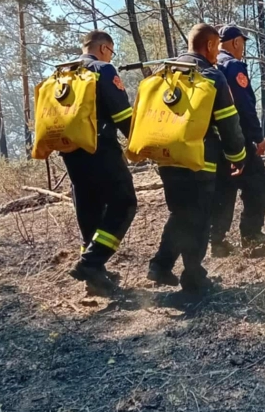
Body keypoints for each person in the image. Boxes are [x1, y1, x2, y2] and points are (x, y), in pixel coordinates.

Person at [148, 23, 246, 294]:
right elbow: (229, 123)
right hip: (200, 159)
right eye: (216, 47)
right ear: (211, 45)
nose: (217, 53)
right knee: (200, 217)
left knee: (181, 212)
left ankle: (160, 265)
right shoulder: (211, 76)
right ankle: (193, 277)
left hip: (167, 157)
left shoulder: (166, 72)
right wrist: (237, 156)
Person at [64, 30, 137, 296]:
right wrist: (139, 144)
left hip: (70, 151)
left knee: (89, 210)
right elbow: (122, 113)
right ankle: (90, 263)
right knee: (125, 203)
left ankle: (95, 278)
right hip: (101, 149)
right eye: (111, 52)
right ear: (104, 48)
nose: (111, 57)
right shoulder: (102, 70)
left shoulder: (63, 73)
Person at [210, 24, 265, 257]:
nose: (242, 48)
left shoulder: (209, 64)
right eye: (242, 43)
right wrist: (257, 137)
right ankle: (251, 235)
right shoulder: (232, 65)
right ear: (236, 42)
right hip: (237, 139)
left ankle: (217, 241)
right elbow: (244, 106)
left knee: (224, 189)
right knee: (258, 182)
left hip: (213, 142)